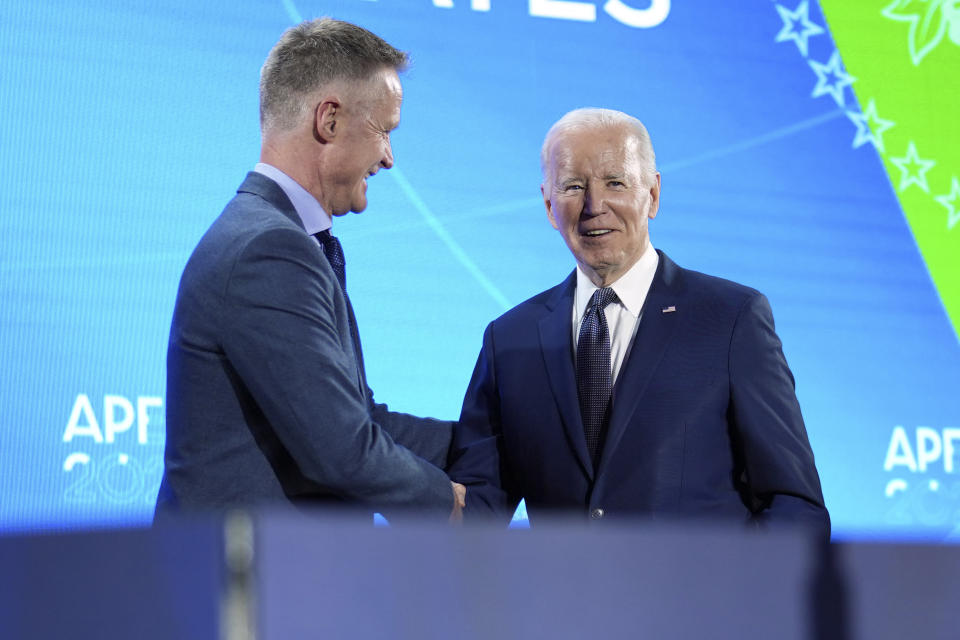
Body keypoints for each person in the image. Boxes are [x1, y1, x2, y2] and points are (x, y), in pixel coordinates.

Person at [449, 108, 829, 535]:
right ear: (548, 205)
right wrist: (376, 465)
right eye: (574, 186)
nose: (595, 206)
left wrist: (729, 597)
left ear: (653, 194)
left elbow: (795, 508)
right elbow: (476, 508)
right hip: (566, 601)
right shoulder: (510, 339)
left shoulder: (731, 319)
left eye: (616, 182)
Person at [155, 18, 465, 522]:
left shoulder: (273, 235)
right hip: (247, 583)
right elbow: (342, 449)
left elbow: (358, 419)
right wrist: (446, 502)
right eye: (384, 131)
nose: (389, 158)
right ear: (330, 120)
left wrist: (490, 443)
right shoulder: (268, 249)